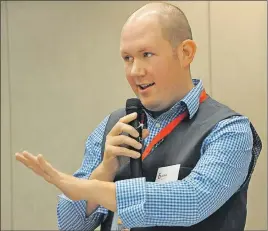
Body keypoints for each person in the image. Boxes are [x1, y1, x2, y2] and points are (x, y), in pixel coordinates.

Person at [15, 2, 262, 231]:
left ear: (186, 53)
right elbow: (70, 226)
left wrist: (89, 188)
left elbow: (194, 199)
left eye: (147, 54)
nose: (135, 71)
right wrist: (105, 170)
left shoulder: (229, 130)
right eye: (127, 58)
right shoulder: (112, 126)